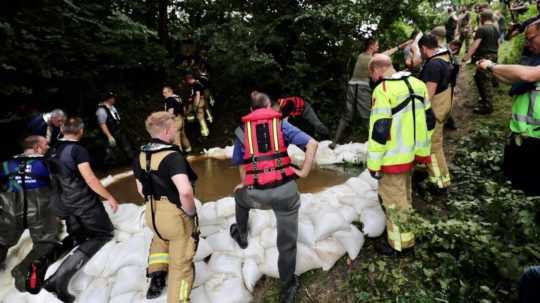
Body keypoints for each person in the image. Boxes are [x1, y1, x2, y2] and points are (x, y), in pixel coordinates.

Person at [230, 93, 318, 302]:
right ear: (271, 106)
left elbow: (242, 164)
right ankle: (287, 286)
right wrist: (304, 172)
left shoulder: (242, 130)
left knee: (239, 199)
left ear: (251, 110)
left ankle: (241, 236)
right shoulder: (281, 125)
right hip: (285, 193)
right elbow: (312, 144)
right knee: (286, 241)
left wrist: (244, 184)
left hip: (255, 194)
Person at [43, 117, 118, 303]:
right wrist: (109, 196)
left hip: (64, 204)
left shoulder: (52, 149)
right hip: (82, 203)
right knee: (102, 234)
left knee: (80, 236)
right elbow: (90, 180)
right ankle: (58, 281)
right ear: (81, 131)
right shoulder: (77, 150)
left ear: (62, 129)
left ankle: (46, 272)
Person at [366, 54, 434, 253]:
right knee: (404, 195)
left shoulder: (384, 90)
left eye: (372, 74)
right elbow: (430, 120)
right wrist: (421, 148)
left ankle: (400, 245)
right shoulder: (418, 84)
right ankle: (408, 232)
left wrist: (374, 164)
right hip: (412, 154)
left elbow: (379, 131)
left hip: (392, 158)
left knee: (394, 202)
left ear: (376, 70)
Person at [132, 112, 198, 302]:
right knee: (181, 267)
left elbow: (141, 189)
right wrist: (191, 212)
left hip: (151, 213)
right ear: (168, 130)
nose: (175, 132)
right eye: (175, 129)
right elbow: (185, 191)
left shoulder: (141, 155)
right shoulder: (172, 157)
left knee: (160, 239)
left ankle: (157, 275)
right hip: (174, 216)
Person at [476, 20, 540, 196]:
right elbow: (513, 79)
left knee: (533, 191)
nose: (527, 43)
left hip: (536, 140)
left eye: (531, 38)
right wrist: (491, 70)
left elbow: (527, 75)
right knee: (518, 187)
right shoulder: (535, 59)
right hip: (523, 136)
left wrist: (492, 66)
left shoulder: (534, 68)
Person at [0, 136, 59, 293]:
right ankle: (23, 270)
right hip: (40, 210)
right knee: (46, 242)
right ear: (37, 147)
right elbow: (61, 186)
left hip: (10, 210)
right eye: (45, 145)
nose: (48, 147)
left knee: (2, 241)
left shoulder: (6, 164)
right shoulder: (47, 163)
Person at [331, 37, 412, 148]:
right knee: (367, 117)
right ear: (371, 46)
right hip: (361, 88)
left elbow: (382, 56)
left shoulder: (361, 56)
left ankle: (334, 142)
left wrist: (400, 47)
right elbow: (384, 60)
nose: (378, 47)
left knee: (346, 116)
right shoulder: (371, 59)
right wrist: (402, 71)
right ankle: (377, 143)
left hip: (352, 86)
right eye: (377, 45)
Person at [418, 34, 455, 192]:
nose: (420, 54)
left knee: (433, 147)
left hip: (434, 111)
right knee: (435, 145)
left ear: (424, 48)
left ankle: (439, 184)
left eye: (420, 51)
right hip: (443, 109)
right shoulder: (446, 58)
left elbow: (428, 94)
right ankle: (437, 177)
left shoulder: (433, 65)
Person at [464, 10, 500, 115]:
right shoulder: (495, 29)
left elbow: (475, 45)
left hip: (484, 57)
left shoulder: (482, 29)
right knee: (479, 78)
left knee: (484, 81)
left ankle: (487, 106)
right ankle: (485, 99)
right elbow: (498, 43)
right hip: (494, 55)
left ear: (482, 18)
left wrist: (466, 57)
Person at [96, 91, 134, 165]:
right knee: (110, 153)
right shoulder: (101, 110)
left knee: (127, 148)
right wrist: (109, 136)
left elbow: (117, 119)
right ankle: (107, 168)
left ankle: (132, 162)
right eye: (112, 98)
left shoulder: (113, 108)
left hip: (118, 131)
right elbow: (102, 124)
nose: (114, 99)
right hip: (111, 133)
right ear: (108, 99)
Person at [163, 86, 192, 153]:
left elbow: (171, 111)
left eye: (165, 92)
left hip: (175, 119)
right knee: (183, 135)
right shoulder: (177, 97)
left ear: (170, 91)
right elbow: (183, 107)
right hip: (181, 118)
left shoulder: (169, 99)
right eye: (163, 92)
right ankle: (189, 149)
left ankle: (179, 155)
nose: (163, 94)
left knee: (176, 138)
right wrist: (184, 116)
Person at [183, 73, 211, 138]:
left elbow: (198, 95)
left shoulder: (195, 85)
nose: (187, 83)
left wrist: (196, 105)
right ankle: (203, 130)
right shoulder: (197, 83)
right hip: (201, 100)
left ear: (189, 80)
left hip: (199, 101)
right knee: (201, 116)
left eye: (187, 81)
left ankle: (205, 133)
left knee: (201, 118)